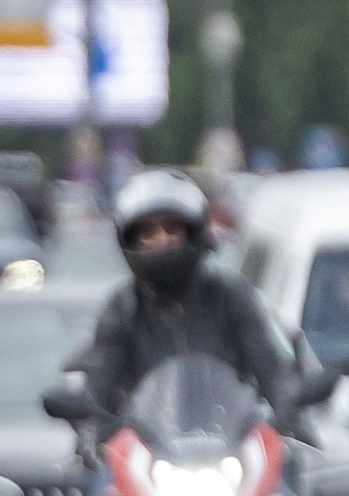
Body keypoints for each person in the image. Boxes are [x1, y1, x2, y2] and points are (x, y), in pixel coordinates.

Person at [78, 169, 302, 424]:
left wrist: (287, 410)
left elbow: (271, 368)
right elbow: (100, 383)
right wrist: (92, 425)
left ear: (194, 231)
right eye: (148, 232)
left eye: (172, 228)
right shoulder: (122, 310)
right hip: (146, 450)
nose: (161, 239)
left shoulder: (231, 297)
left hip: (232, 441)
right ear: (129, 240)